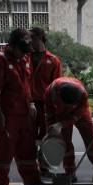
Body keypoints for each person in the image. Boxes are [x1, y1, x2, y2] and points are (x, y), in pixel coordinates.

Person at [0, 28, 46, 185]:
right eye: (21, 50)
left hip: (24, 112)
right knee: (4, 150)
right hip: (7, 114)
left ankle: (32, 180)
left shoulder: (24, 59)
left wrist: (32, 104)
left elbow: (26, 86)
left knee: (27, 149)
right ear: (11, 45)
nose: (24, 54)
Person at [44, 77, 93, 183]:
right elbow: (49, 113)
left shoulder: (82, 94)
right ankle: (70, 172)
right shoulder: (50, 91)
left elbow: (76, 116)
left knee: (91, 139)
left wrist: (61, 125)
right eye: (67, 104)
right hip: (60, 115)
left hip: (81, 113)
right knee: (65, 144)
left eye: (71, 105)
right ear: (60, 96)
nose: (69, 107)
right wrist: (50, 131)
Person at [28, 26, 63, 176]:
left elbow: (57, 85)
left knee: (46, 137)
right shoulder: (24, 58)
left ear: (39, 37)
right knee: (28, 137)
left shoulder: (53, 61)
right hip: (27, 104)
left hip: (45, 106)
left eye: (30, 37)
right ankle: (29, 167)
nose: (28, 40)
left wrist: (56, 109)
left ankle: (44, 166)